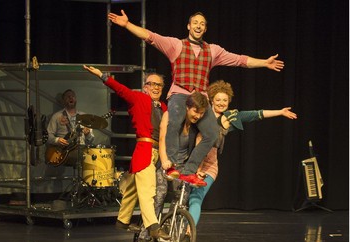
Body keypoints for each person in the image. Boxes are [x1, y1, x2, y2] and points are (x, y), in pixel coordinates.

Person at [108, 10, 285, 187]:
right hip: (180, 94)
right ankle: (171, 166)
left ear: (205, 28)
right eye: (195, 23)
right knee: (174, 122)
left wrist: (264, 62)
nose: (198, 26)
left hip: (200, 98)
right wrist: (127, 25)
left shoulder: (213, 50)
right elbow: (151, 36)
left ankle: (189, 171)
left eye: (202, 24)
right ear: (189, 26)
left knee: (212, 133)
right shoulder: (175, 45)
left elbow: (239, 60)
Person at [189, 80, 297, 226]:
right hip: (191, 160)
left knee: (196, 196)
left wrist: (280, 112)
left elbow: (254, 114)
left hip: (209, 165)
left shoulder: (230, 117)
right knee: (181, 197)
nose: (222, 103)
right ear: (212, 100)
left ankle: (188, 231)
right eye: (218, 99)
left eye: (225, 100)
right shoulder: (202, 113)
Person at [83, 64, 170, 240]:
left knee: (132, 189)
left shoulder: (164, 107)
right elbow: (120, 89)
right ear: (145, 86)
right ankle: (153, 226)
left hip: (158, 153)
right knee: (147, 191)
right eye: (151, 84)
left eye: (158, 85)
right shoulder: (138, 98)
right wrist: (102, 75)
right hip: (144, 151)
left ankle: (122, 221)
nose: (155, 87)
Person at [136, 91, 209, 242]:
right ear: (187, 108)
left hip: (182, 166)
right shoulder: (171, 115)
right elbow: (162, 138)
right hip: (165, 161)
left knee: (181, 198)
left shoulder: (197, 127)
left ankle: (168, 225)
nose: (198, 116)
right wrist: (164, 160)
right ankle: (144, 236)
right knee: (159, 196)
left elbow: (199, 149)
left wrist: (198, 170)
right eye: (195, 111)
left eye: (201, 113)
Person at [46, 89, 95, 167]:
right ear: (63, 101)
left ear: (76, 99)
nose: (71, 98)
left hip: (81, 148)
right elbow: (47, 136)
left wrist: (88, 133)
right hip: (64, 151)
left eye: (73, 96)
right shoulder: (57, 116)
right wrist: (57, 140)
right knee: (87, 157)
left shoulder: (84, 116)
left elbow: (91, 139)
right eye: (68, 97)